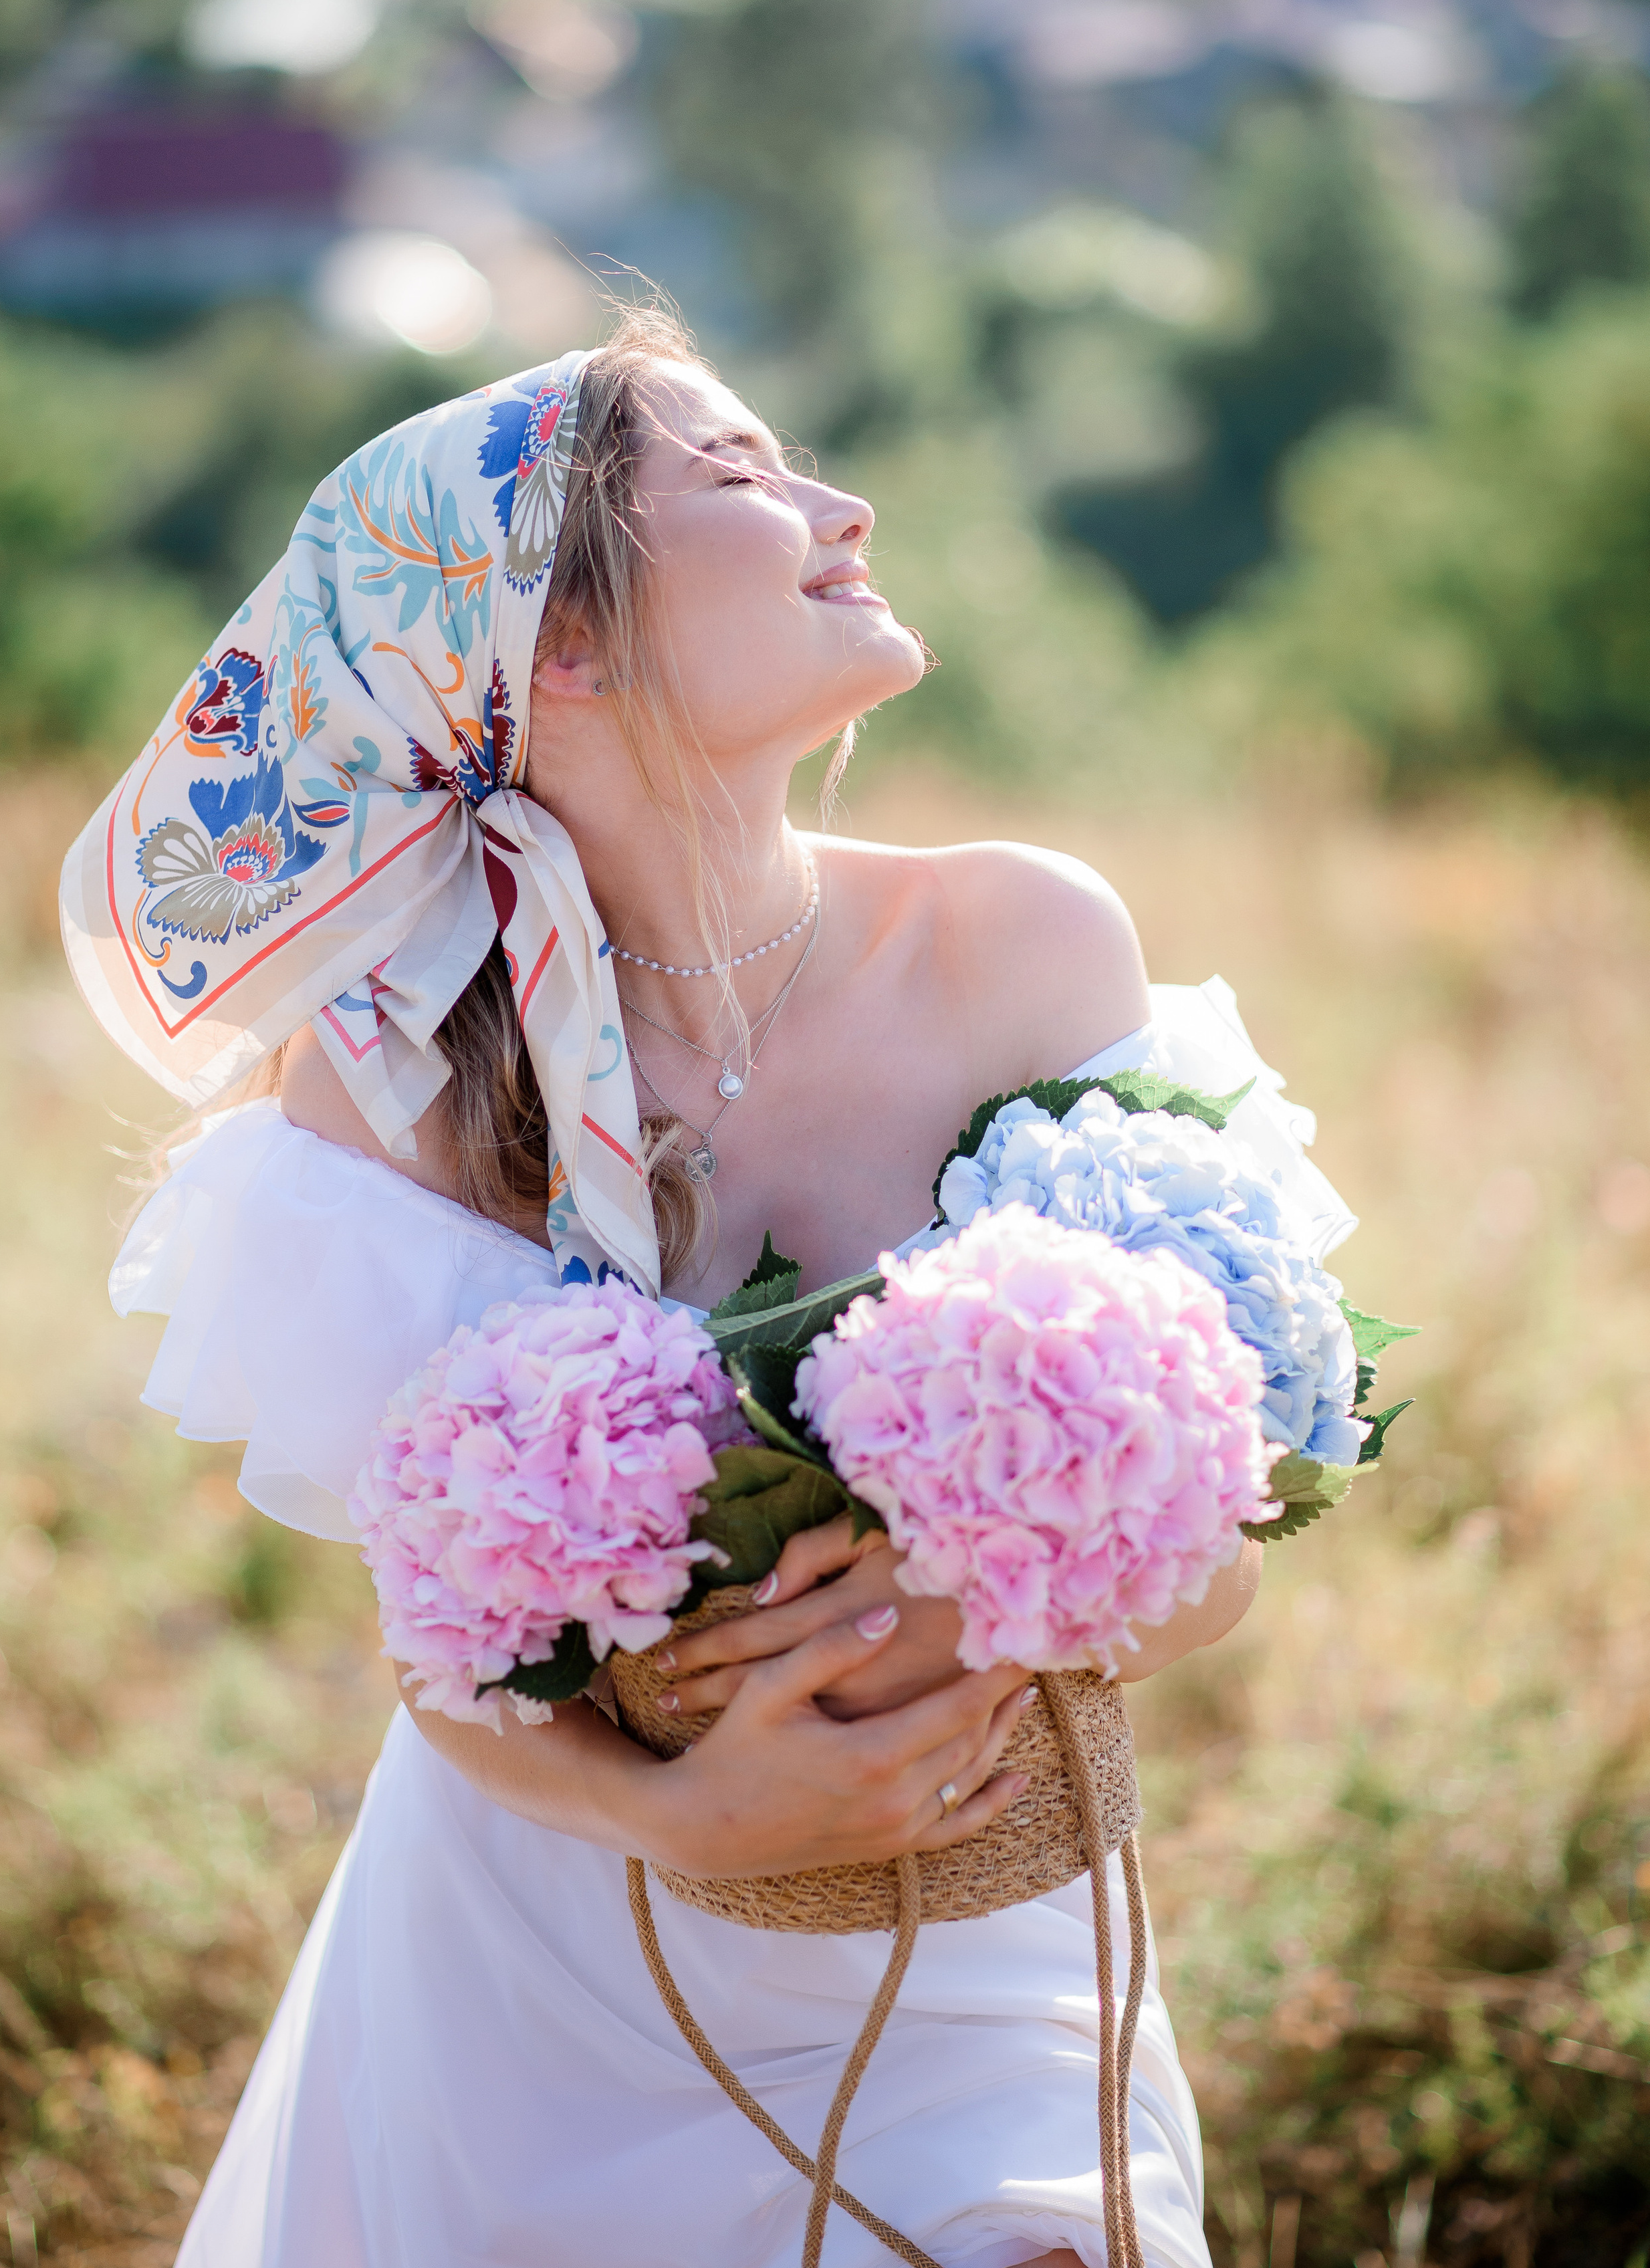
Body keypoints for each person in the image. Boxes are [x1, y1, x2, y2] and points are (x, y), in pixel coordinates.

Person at [65, 306, 1352, 2268]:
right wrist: (691, 1817)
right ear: (553, 644)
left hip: (973, 1933)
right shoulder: (398, 1074)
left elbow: (1232, 1550)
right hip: (553, 1976)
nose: (841, 507)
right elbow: (440, 1660)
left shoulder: (1021, 942)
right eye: (743, 477)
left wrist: (993, 1600)